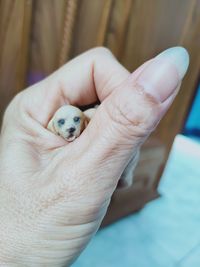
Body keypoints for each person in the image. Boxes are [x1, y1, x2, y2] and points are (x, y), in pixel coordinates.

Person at [0, 46, 189, 266]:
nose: (70, 127)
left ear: (84, 121)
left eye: (75, 121)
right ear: (53, 127)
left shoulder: (89, 121)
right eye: (62, 123)